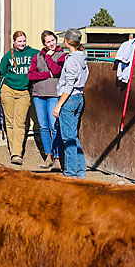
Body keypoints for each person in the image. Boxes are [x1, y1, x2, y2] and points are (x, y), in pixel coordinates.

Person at [0, 30, 39, 166]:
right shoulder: (8, 56)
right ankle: (14, 151)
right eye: (19, 41)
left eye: (24, 41)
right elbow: (1, 74)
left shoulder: (33, 53)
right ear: (14, 42)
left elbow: (45, 56)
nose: (22, 44)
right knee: (10, 122)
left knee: (20, 123)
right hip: (8, 90)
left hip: (24, 92)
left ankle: (16, 153)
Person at [52, 28, 89, 178]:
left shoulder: (71, 59)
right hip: (79, 96)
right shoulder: (82, 57)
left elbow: (69, 84)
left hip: (69, 98)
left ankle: (71, 173)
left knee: (68, 138)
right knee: (73, 136)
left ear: (67, 41)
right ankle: (80, 171)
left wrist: (59, 105)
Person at [28, 29, 66, 170]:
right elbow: (31, 75)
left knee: (54, 126)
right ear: (43, 43)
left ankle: (57, 157)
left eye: (52, 40)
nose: (51, 44)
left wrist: (49, 58)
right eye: (48, 42)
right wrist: (47, 74)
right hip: (38, 95)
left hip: (53, 94)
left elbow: (56, 71)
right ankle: (48, 155)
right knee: (43, 127)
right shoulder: (37, 57)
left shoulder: (62, 55)